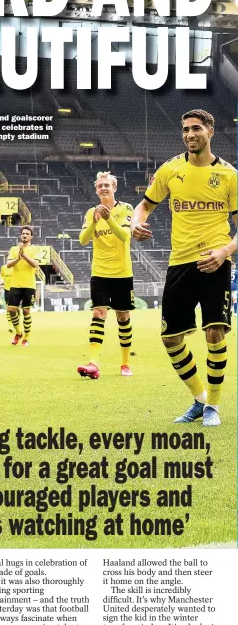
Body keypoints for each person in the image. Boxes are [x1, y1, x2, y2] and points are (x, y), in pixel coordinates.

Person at [132, 108, 237, 426]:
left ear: (210, 131)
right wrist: (137, 222)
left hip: (215, 262)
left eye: (196, 128)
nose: (190, 134)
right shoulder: (170, 170)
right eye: (185, 130)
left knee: (214, 333)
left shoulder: (230, 176)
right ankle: (199, 398)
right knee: (170, 339)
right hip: (179, 262)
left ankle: (213, 407)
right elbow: (145, 205)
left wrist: (224, 251)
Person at [77, 172, 135, 379]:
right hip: (100, 272)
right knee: (98, 314)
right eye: (100, 185)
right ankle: (93, 362)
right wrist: (93, 222)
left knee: (123, 317)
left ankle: (125, 363)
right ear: (96, 190)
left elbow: (125, 236)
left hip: (122, 273)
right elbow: (83, 240)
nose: (103, 188)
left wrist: (108, 218)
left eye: (107, 185)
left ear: (114, 188)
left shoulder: (126, 209)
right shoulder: (90, 212)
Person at [6, 226, 40, 347]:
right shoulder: (14, 249)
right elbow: (8, 264)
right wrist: (18, 258)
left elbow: (35, 263)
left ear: (31, 236)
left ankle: (27, 337)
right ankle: (19, 332)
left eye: (27, 233)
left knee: (26, 311)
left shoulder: (35, 249)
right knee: (11, 310)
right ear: (21, 235)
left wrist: (24, 256)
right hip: (15, 284)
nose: (25, 235)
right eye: (23, 233)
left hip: (29, 285)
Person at [0, 263, 14, 331]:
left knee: (16, 308)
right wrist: (1, 280)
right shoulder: (3, 267)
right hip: (7, 289)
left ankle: (16, 324)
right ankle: (10, 325)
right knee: (8, 308)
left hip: (16, 288)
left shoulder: (17, 267)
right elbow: (1, 276)